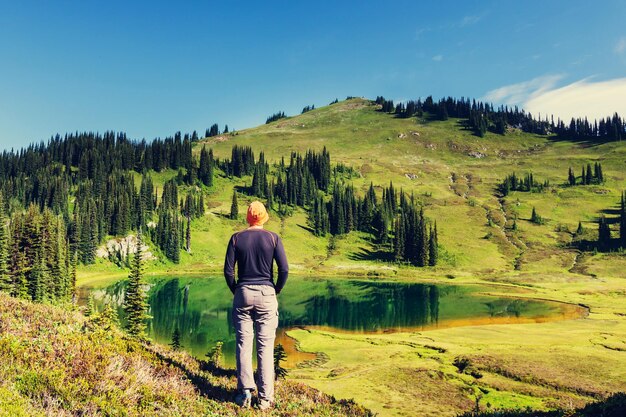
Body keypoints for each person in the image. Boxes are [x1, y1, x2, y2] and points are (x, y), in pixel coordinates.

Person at [224, 200, 289, 410]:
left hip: (243, 292)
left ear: (248, 217)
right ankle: (264, 399)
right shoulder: (273, 238)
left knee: (243, 343)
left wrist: (237, 289)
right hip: (266, 293)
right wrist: (276, 289)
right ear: (264, 218)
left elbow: (228, 271)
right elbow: (284, 270)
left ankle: (244, 393)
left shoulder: (236, 238)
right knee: (265, 346)